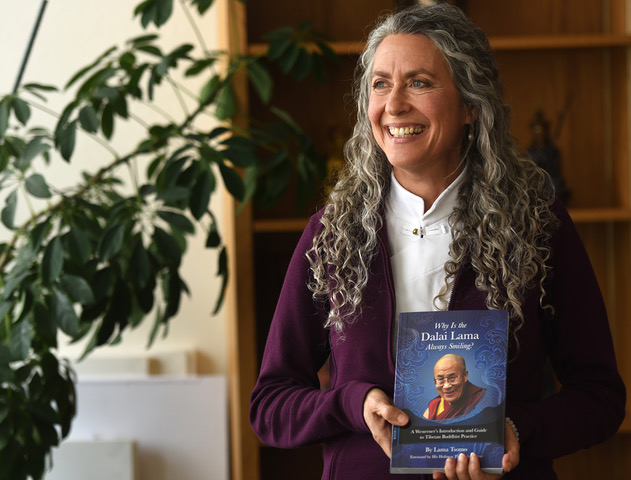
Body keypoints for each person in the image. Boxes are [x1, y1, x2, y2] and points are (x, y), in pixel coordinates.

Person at [249, 3, 626, 480]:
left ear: (472, 106)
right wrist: (353, 403)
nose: (395, 105)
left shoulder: (537, 227)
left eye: (420, 82)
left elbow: (600, 398)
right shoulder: (331, 234)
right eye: (381, 83)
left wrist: (518, 429)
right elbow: (270, 405)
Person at [423, 354, 486, 420]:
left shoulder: (481, 398)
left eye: (452, 378)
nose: (446, 386)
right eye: (440, 379)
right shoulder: (434, 406)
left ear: (465, 376)